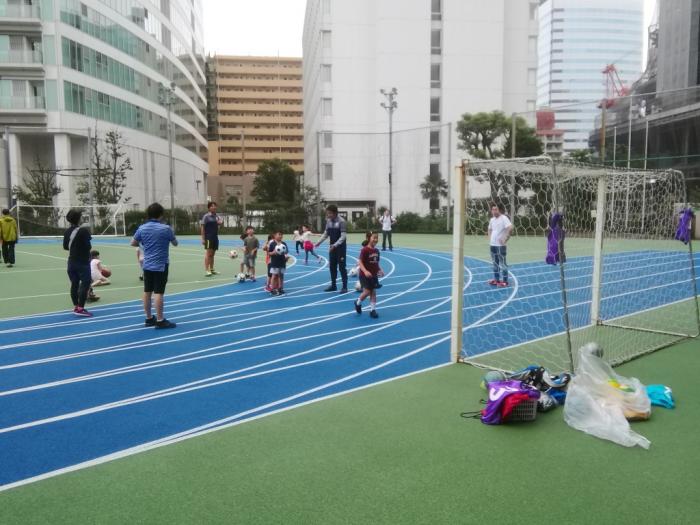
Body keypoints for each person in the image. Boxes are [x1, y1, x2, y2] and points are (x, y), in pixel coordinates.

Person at [131, 202, 178, 329]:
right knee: (159, 292)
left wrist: (145, 244)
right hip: (161, 264)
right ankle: (160, 319)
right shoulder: (166, 228)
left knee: (147, 291)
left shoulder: (142, 228)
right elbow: (175, 243)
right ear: (161, 214)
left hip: (147, 265)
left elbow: (133, 243)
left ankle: (148, 318)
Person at [63, 209, 94, 317]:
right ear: (78, 218)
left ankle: (76, 306)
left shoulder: (67, 232)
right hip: (82, 262)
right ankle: (81, 308)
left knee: (74, 284)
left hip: (71, 262)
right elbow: (88, 246)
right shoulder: (83, 231)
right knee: (85, 283)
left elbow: (65, 247)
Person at [316, 204, 348, 293]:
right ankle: (333, 285)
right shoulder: (328, 221)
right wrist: (319, 242)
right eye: (327, 213)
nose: (328, 215)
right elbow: (326, 234)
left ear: (335, 213)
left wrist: (335, 245)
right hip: (332, 248)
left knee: (342, 267)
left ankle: (344, 287)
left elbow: (343, 237)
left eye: (329, 213)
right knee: (332, 267)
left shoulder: (342, 221)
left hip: (340, 248)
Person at [354, 231, 384, 318]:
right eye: (374, 237)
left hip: (373, 275)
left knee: (373, 292)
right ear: (368, 238)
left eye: (377, 238)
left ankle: (372, 310)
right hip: (364, 275)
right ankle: (358, 302)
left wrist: (380, 270)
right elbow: (360, 262)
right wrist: (365, 271)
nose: (375, 239)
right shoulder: (365, 250)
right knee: (367, 291)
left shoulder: (376, 251)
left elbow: (376, 263)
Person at [487, 203, 513, 287]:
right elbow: (489, 229)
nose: (494, 211)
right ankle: (497, 280)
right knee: (495, 263)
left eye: (496, 209)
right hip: (492, 245)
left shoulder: (504, 218)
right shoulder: (492, 220)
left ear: (499, 210)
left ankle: (505, 281)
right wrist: (490, 238)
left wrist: (505, 238)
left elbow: (510, 227)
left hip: (500, 246)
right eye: (493, 209)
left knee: (503, 264)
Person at [200, 201, 223, 277]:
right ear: (209, 208)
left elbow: (219, 224)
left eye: (215, 206)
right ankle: (207, 270)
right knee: (208, 254)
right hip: (208, 237)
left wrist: (220, 223)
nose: (214, 207)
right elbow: (202, 228)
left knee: (213, 254)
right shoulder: (206, 216)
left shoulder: (217, 216)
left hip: (215, 237)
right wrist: (203, 238)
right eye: (212, 206)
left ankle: (212, 269)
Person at [267, 230, 289, 296]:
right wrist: (273, 252)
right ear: (274, 235)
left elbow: (286, 252)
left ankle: (280, 288)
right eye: (279, 234)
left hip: (282, 261)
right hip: (274, 262)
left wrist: (286, 256)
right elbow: (269, 253)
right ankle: (272, 289)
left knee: (281, 275)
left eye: (281, 234)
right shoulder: (272, 244)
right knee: (274, 275)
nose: (280, 236)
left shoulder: (284, 244)